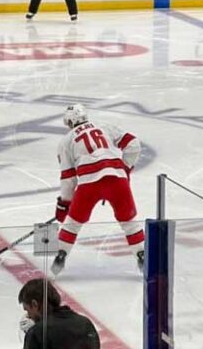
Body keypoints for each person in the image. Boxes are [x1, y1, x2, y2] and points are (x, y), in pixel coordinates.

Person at [51, 103, 144, 275]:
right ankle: (141, 254)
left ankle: (61, 254)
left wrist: (65, 205)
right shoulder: (104, 127)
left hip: (89, 184)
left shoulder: (66, 141)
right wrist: (125, 167)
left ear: (69, 122)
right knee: (129, 222)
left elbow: (68, 178)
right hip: (117, 179)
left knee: (72, 224)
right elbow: (133, 144)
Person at [18, 278, 99, 349]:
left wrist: (33, 333)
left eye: (27, 310)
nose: (28, 315)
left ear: (34, 304)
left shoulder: (37, 333)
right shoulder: (85, 324)